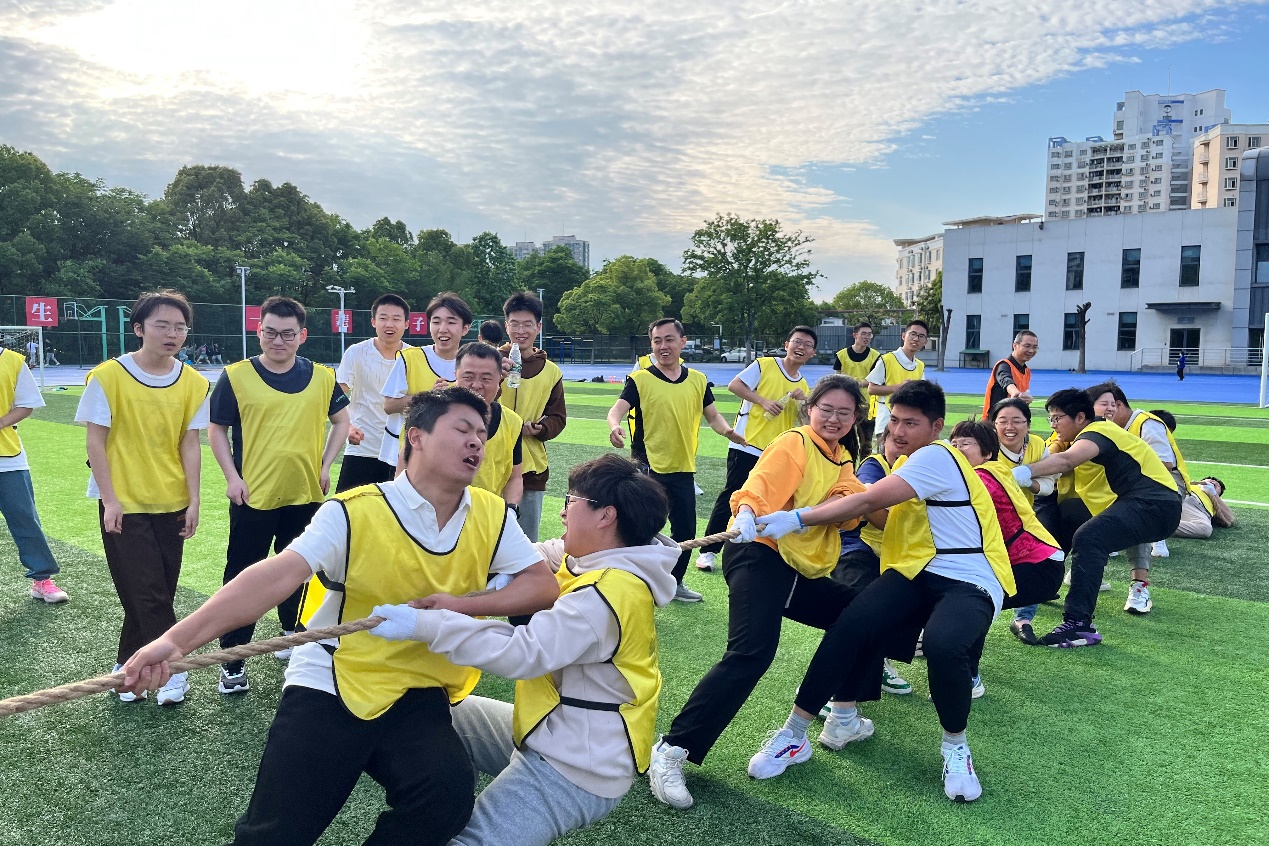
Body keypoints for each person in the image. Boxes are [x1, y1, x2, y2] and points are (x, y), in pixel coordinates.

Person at [121, 388, 560, 846]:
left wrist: (458, 605)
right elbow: (275, 576)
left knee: (444, 797)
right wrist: (171, 644)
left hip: (419, 688)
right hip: (333, 678)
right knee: (276, 834)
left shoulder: (491, 513)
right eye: (462, 430)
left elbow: (540, 586)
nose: (476, 443)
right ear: (416, 437)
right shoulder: (354, 509)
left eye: (482, 435)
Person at [369, 454, 677, 845]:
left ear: (605, 516)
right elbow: (545, 553)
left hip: (577, 767)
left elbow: (523, 653)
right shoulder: (610, 559)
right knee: (433, 708)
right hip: (557, 729)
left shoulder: (604, 595)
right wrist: (512, 564)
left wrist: (426, 625)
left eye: (570, 501)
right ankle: (432, 792)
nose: (563, 512)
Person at [750, 379, 1014, 803]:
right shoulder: (906, 460)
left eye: (911, 423)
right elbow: (873, 512)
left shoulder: (935, 455)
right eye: (895, 420)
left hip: (971, 576)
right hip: (917, 569)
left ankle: (956, 747)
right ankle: (794, 734)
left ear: (937, 427)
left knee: (945, 645)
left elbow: (865, 502)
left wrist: (797, 517)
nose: (898, 431)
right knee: (851, 623)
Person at [648, 375, 876, 809]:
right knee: (752, 651)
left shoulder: (842, 457)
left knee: (861, 613)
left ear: (855, 419)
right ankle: (672, 748)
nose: (833, 419)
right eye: (826, 409)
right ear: (810, 409)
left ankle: (843, 715)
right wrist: (748, 511)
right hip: (757, 553)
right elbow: (759, 486)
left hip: (793, 565)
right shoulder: (795, 441)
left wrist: (811, 514)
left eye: (844, 413)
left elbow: (850, 509)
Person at [209, 296, 351, 694]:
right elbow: (217, 429)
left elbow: (342, 421)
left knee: (302, 570)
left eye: (287, 334)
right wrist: (231, 477)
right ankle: (232, 659)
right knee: (243, 577)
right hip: (252, 495)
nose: (278, 341)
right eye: (270, 332)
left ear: (302, 336)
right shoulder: (236, 376)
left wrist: (324, 465)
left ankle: (292, 636)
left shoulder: (322, 376)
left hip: (305, 494)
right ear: (259, 331)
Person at [76, 290, 209, 705]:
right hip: (124, 502)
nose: (172, 334)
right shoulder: (107, 376)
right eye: (162, 325)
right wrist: (110, 500)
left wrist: (194, 500)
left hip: (171, 501)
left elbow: (190, 443)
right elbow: (95, 441)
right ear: (139, 329)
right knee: (148, 591)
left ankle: (125, 667)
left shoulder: (194, 382)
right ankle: (172, 671)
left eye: (180, 327)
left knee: (155, 591)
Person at [1013, 388, 1182, 647]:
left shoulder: (1098, 431)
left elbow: (1067, 461)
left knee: (1089, 537)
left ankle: (1079, 624)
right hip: (1143, 503)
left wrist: (1018, 473)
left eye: (1057, 418)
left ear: (1080, 417)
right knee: (1071, 531)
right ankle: (1048, 596)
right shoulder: (1092, 432)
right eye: (1051, 419)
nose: (1053, 425)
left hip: (1155, 505)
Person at [605, 318, 746, 603]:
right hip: (647, 467)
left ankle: (674, 582)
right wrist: (614, 426)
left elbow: (713, 416)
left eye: (669, 339)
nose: (663, 346)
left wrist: (727, 431)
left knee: (685, 531)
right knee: (642, 528)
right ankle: (634, 584)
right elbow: (616, 410)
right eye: (657, 341)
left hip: (683, 468)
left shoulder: (698, 380)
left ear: (683, 342)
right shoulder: (640, 379)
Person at [696, 326, 816, 573]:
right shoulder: (765, 365)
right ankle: (708, 551)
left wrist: (804, 402)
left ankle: (753, 551)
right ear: (787, 344)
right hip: (747, 443)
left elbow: (804, 421)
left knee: (767, 502)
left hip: (775, 452)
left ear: (812, 353)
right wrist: (763, 401)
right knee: (732, 495)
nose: (801, 347)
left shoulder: (802, 384)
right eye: (797, 342)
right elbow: (735, 385)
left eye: (807, 345)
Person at [948, 420, 1063, 665]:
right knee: (972, 598)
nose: (957, 449)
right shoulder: (994, 470)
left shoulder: (982, 477)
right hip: (1042, 561)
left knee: (972, 599)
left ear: (987, 453)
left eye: (966, 444)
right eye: (953, 444)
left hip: (1036, 565)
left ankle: (966, 670)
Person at [832, 426, 912, 695]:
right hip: (855, 548)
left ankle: (878, 661)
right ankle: (829, 685)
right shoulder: (874, 465)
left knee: (897, 607)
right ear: (883, 441)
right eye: (895, 440)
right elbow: (867, 500)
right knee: (860, 610)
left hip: (891, 555)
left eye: (907, 441)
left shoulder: (917, 471)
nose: (901, 446)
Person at [987, 397, 1061, 640]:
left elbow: (1049, 484)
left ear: (1028, 424)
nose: (1010, 427)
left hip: (1020, 521)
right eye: (1003, 421)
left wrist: (1027, 481)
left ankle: (1023, 619)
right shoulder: (985, 445)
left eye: (1017, 421)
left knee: (1037, 559)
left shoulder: (1038, 445)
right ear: (993, 424)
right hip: (984, 521)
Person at [0, 341, 67, 603]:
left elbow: (25, 405)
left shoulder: (13, 361)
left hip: (8, 458)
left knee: (25, 519)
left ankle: (42, 579)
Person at [499, 291, 567, 542]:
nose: (521, 331)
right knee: (484, 539)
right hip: (489, 461)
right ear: (506, 326)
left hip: (531, 468)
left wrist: (541, 428)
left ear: (538, 327)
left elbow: (558, 417)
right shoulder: (489, 361)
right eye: (514, 324)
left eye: (527, 324)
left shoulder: (551, 371)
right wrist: (494, 377)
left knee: (525, 543)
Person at [382, 292, 472, 472]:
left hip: (456, 458)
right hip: (411, 458)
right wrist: (428, 397)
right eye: (436, 322)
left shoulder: (472, 363)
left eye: (451, 322)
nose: (442, 329)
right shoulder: (409, 358)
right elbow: (389, 405)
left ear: (465, 328)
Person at [1102, 383, 1188, 559]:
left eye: (1108, 408)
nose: (1105, 415)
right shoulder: (1114, 427)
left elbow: (1165, 465)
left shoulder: (1147, 423)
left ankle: (1157, 538)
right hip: (1140, 482)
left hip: (1170, 484)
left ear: (1118, 405)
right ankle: (1113, 537)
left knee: (1130, 499)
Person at [335, 294, 411, 492]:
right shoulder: (356, 352)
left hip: (400, 452)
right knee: (348, 506)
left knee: (395, 508)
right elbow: (336, 397)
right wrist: (348, 427)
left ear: (406, 324)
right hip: (362, 447)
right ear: (373, 322)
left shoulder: (413, 357)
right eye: (383, 318)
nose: (389, 324)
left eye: (396, 319)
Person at [450, 342, 523, 507]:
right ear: (455, 375)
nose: (476, 385)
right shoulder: (431, 412)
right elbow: (407, 468)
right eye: (468, 377)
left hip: (487, 514)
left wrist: (510, 509)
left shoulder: (513, 422)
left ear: (499, 379)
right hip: (435, 514)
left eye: (486, 378)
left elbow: (515, 477)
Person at [1149, 409, 1235, 537]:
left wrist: (1213, 494)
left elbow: (1229, 518)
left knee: (1205, 529)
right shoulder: (1189, 484)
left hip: (1195, 507)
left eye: (1217, 486)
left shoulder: (1213, 504)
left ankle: (1153, 525)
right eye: (1210, 481)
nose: (1212, 482)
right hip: (1181, 496)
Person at [866, 319, 927, 443]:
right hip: (887, 420)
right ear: (904, 336)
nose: (916, 339)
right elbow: (871, 389)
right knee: (884, 454)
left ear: (925, 341)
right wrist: (898, 388)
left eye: (921, 336)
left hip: (909, 422)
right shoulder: (887, 359)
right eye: (913, 334)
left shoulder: (920, 365)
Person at [834, 320, 881, 449]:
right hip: (845, 403)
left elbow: (875, 380)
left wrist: (855, 383)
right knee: (845, 441)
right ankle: (847, 462)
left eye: (869, 334)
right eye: (864, 334)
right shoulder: (841, 355)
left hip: (867, 404)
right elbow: (837, 378)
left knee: (866, 443)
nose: (867, 337)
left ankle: (864, 463)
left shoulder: (875, 356)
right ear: (855, 335)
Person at [981, 330, 1038, 420]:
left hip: (1012, 419)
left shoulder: (1026, 371)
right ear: (1015, 346)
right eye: (1027, 346)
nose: (1031, 350)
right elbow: (1006, 380)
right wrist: (1015, 393)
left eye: (1035, 347)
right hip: (995, 421)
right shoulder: (1003, 365)